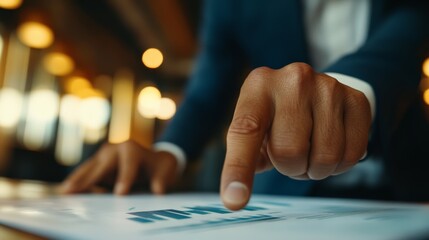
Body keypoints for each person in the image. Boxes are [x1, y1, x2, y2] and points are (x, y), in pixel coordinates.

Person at [61, 0, 429, 210]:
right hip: (285, 198)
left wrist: (348, 88)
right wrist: (167, 151)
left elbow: (407, 41)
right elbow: (207, 92)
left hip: (408, 182)